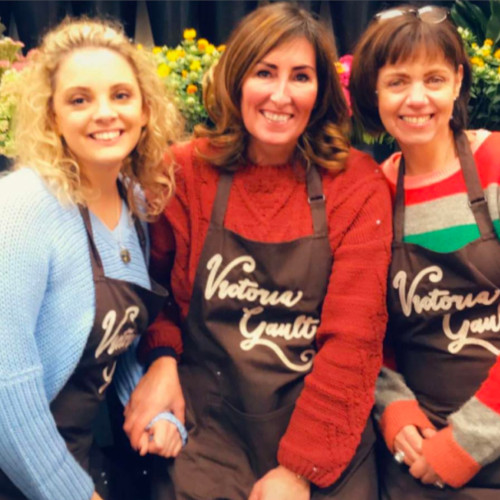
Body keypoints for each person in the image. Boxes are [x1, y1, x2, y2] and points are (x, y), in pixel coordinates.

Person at [123, 3, 393, 499]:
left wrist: (299, 469)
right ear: (236, 79)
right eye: (264, 72)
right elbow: (152, 297)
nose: (281, 95)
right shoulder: (186, 173)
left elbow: (354, 342)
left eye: (301, 76)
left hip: (324, 436)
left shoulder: (356, 184)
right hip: (209, 432)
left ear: (321, 91)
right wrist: (161, 359)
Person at [0, 17, 186, 500]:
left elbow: (112, 340)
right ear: (52, 117)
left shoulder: (135, 203)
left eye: (120, 95)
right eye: (79, 100)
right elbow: (6, 386)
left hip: (78, 454)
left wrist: (154, 414)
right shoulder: (21, 208)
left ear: (145, 111)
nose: (104, 113)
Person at [349, 4, 500, 498]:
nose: (417, 99)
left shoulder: (494, 163)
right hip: (416, 459)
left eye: (433, 79)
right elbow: (367, 330)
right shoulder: (374, 192)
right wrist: (393, 409)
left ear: (457, 82)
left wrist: (472, 439)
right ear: (374, 90)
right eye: (397, 82)